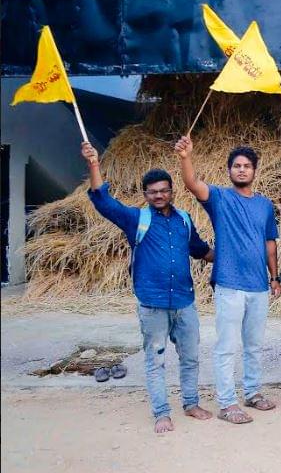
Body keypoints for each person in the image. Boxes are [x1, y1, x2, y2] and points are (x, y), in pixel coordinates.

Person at [81, 142, 214, 433]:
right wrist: (94, 164)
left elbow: (200, 250)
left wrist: (232, 255)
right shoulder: (135, 219)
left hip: (184, 302)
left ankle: (191, 404)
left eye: (163, 190)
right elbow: (104, 202)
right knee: (155, 360)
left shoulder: (184, 220)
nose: (158, 195)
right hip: (152, 304)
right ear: (145, 194)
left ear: (172, 192)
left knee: (190, 358)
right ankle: (161, 413)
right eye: (152, 192)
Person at [176, 136, 280, 424]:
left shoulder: (264, 205)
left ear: (255, 171)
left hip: (259, 285)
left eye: (247, 166)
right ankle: (227, 403)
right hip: (230, 285)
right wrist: (186, 157)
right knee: (226, 346)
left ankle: (253, 392)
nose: (242, 170)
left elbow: (270, 243)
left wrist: (274, 278)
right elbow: (192, 183)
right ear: (229, 171)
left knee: (254, 344)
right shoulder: (220, 198)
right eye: (237, 166)